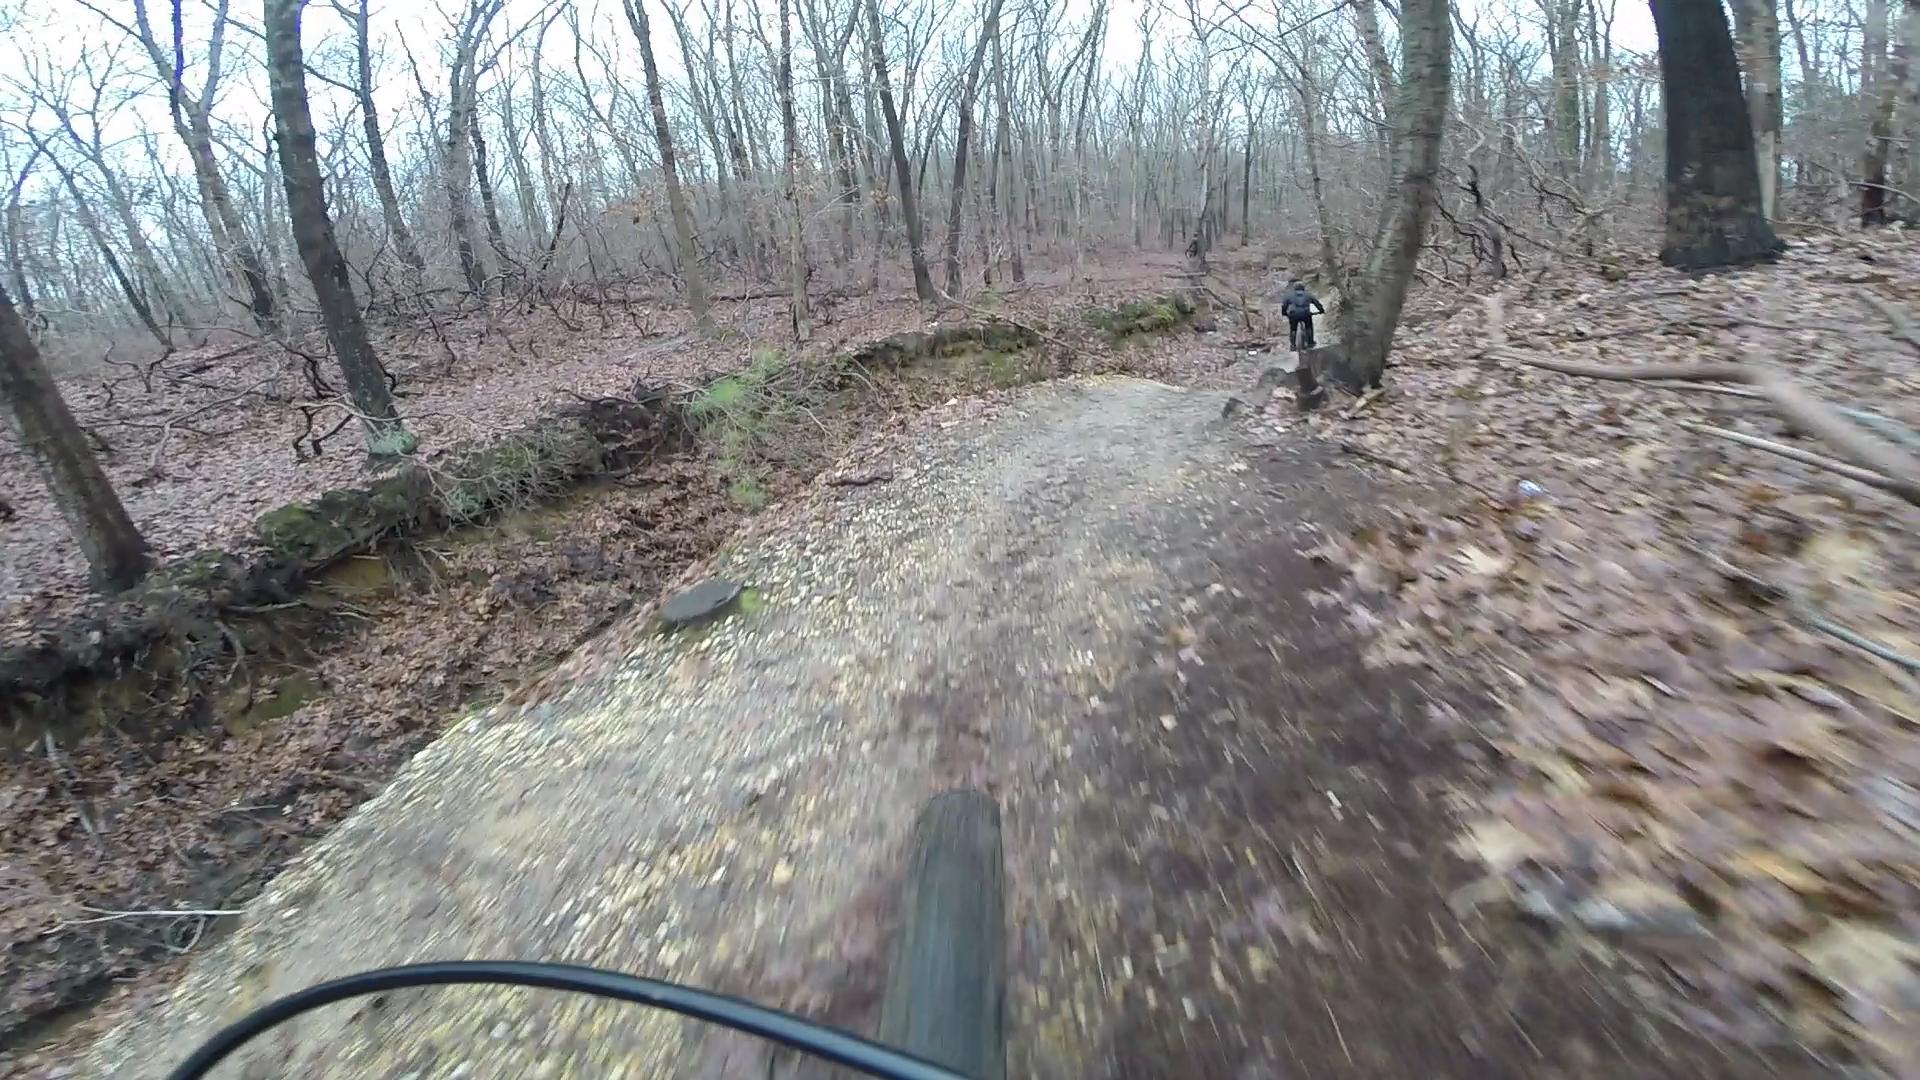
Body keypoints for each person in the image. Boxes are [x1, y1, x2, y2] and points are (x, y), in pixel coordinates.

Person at [1281, 280, 1325, 350]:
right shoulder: (1308, 294)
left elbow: (1284, 305)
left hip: (1294, 314)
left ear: (1294, 288)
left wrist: (1284, 313)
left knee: (1293, 328)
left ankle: (1293, 345)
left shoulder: (1289, 295)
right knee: (1309, 326)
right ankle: (1310, 342)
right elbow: (1316, 303)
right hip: (1305, 314)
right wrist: (1321, 310)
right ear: (1303, 288)